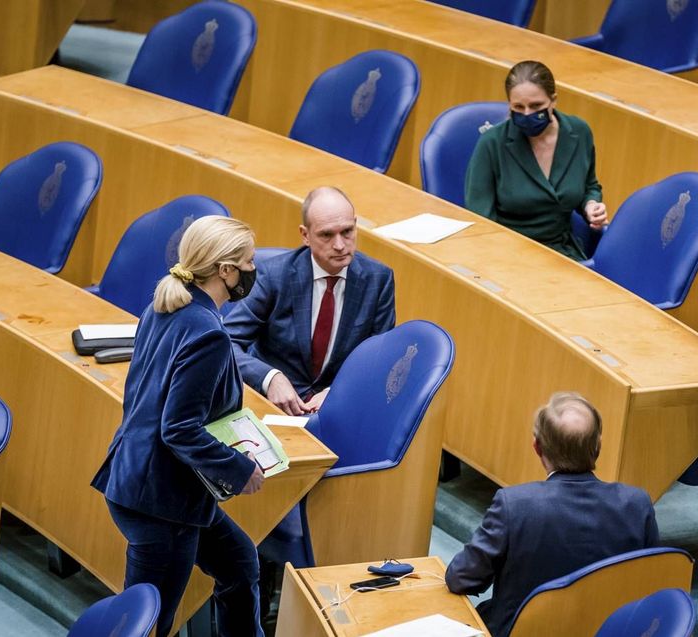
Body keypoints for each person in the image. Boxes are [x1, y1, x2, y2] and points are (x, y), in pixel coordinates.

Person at [91, 216, 266, 636]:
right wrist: (240, 469)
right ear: (225, 270)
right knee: (151, 623)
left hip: (143, 478)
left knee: (239, 563)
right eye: (248, 262)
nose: (253, 270)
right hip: (161, 502)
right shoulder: (207, 333)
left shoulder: (166, 303)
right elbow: (180, 428)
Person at [445, 392, 659, 637]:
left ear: (537, 447)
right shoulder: (636, 505)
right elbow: (651, 587)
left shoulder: (514, 505)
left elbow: (461, 578)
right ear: (598, 446)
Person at [224, 186, 395, 415]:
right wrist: (270, 378)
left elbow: (379, 359)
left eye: (347, 231)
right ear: (305, 235)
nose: (340, 245)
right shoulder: (274, 275)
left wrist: (338, 390)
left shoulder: (378, 279)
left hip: (336, 407)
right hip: (272, 405)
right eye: (326, 234)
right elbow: (226, 342)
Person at [464, 60, 607, 260]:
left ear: (553, 100)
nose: (528, 114)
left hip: (562, 251)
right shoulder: (492, 143)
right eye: (518, 107)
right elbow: (481, 216)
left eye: (536, 106)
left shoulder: (579, 132)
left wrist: (591, 205)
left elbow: (589, 185)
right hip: (507, 253)